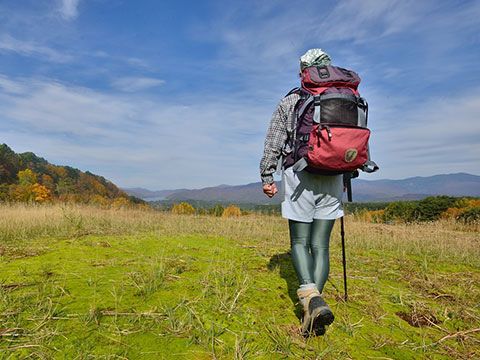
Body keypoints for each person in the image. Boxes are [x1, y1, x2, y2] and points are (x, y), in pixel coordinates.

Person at [260, 49, 344, 337]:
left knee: (299, 241)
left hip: (300, 174)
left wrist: (267, 175)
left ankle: (310, 301)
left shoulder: (293, 99)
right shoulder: (346, 98)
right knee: (320, 245)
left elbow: (274, 139)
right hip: (334, 178)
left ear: (303, 71)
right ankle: (317, 304)